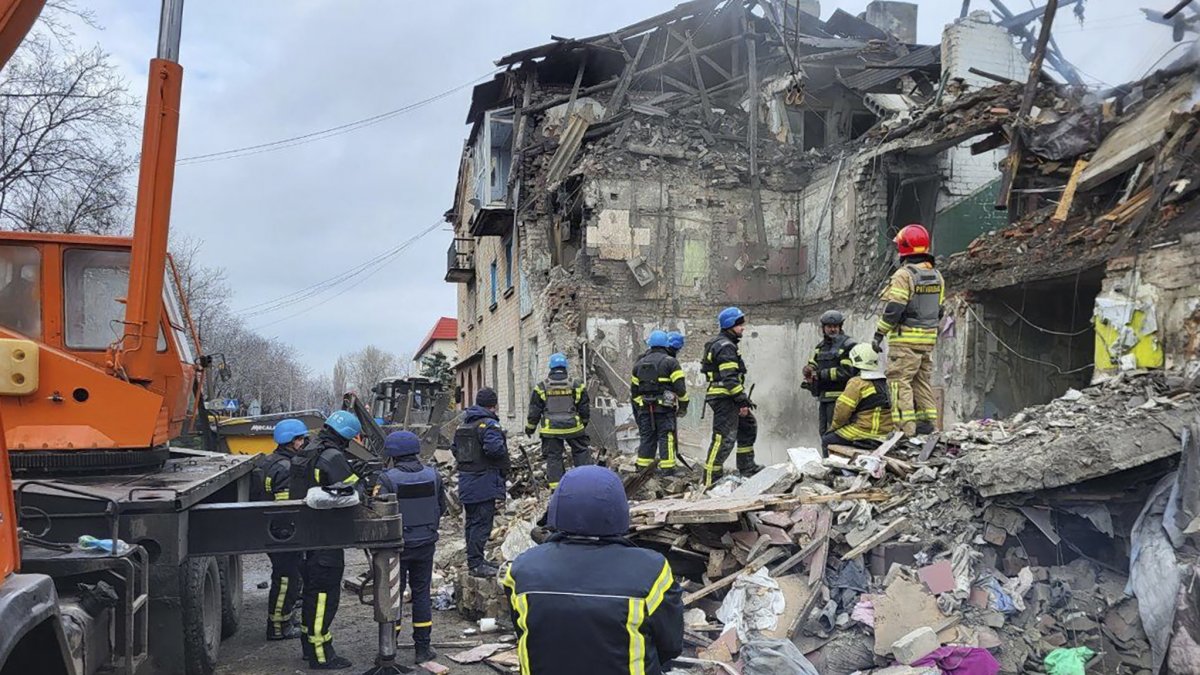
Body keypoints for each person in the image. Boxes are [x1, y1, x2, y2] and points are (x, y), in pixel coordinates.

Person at [503, 466, 683, 674]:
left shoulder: (522, 569)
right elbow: (671, 646)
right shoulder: (651, 571)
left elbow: (524, 632)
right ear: (619, 510)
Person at [296, 410, 363, 670]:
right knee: (324, 598)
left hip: (305, 538)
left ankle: (307, 646)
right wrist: (360, 481)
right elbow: (351, 491)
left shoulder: (307, 450)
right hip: (326, 539)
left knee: (311, 594)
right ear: (346, 436)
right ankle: (321, 655)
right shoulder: (333, 456)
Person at [375, 430, 446, 665]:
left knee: (392, 595)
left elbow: (378, 514)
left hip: (397, 546)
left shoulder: (386, 479)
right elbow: (441, 507)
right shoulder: (433, 475)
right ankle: (423, 649)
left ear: (393, 454)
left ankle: (389, 647)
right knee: (421, 594)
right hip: (426, 543)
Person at [872, 224, 945, 437]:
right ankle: (927, 425)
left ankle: (904, 430)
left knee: (898, 381)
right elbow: (940, 310)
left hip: (905, 341)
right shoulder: (937, 276)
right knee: (921, 381)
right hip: (927, 339)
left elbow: (894, 309)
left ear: (904, 248)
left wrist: (879, 334)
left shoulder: (904, 275)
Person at [257, 418, 308, 641]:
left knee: (288, 577)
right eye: (301, 438)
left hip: (271, 529)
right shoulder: (287, 467)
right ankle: (278, 627)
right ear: (292, 441)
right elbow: (286, 504)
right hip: (284, 532)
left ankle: (287, 618)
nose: (304, 442)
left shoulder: (268, 461)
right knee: (287, 579)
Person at [701, 307, 763, 486]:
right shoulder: (726, 347)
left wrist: (741, 400)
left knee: (748, 426)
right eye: (739, 324)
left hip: (728, 397)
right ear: (729, 325)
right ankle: (711, 478)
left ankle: (747, 467)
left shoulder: (725, 344)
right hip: (725, 398)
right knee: (723, 437)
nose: (743, 328)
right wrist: (741, 399)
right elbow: (729, 378)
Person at [454, 388, 509, 578]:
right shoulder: (489, 424)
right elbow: (495, 449)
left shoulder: (464, 425)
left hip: (467, 482)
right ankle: (477, 564)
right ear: (493, 406)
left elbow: (455, 450)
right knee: (482, 524)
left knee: (472, 524)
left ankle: (475, 560)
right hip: (483, 482)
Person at [525, 353, 592, 490]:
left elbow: (535, 411)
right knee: (580, 452)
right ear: (566, 367)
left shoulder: (541, 387)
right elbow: (584, 407)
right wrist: (583, 423)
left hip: (551, 430)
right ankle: (586, 483)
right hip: (573, 427)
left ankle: (557, 489)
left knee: (554, 457)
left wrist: (530, 428)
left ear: (551, 367)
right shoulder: (576, 385)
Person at [631, 330, 689, 474]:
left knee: (647, 437)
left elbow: (634, 392)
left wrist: (640, 407)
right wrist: (683, 407)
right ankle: (668, 469)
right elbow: (680, 389)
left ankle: (643, 469)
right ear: (666, 344)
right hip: (665, 409)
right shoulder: (671, 362)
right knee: (666, 436)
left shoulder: (639, 364)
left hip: (645, 408)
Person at [821, 343, 895, 453]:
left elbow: (842, 410)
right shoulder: (887, 383)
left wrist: (834, 427)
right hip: (885, 435)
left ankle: (831, 469)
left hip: (861, 432)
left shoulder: (857, 383)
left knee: (827, 440)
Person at [804, 310, 857, 435]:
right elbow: (814, 363)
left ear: (840, 327)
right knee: (823, 433)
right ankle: (826, 455)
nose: (832, 330)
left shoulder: (848, 345)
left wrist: (821, 374)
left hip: (841, 398)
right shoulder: (820, 347)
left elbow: (847, 372)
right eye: (829, 327)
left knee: (835, 433)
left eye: (835, 326)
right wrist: (809, 369)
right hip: (824, 398)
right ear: (823, 328)